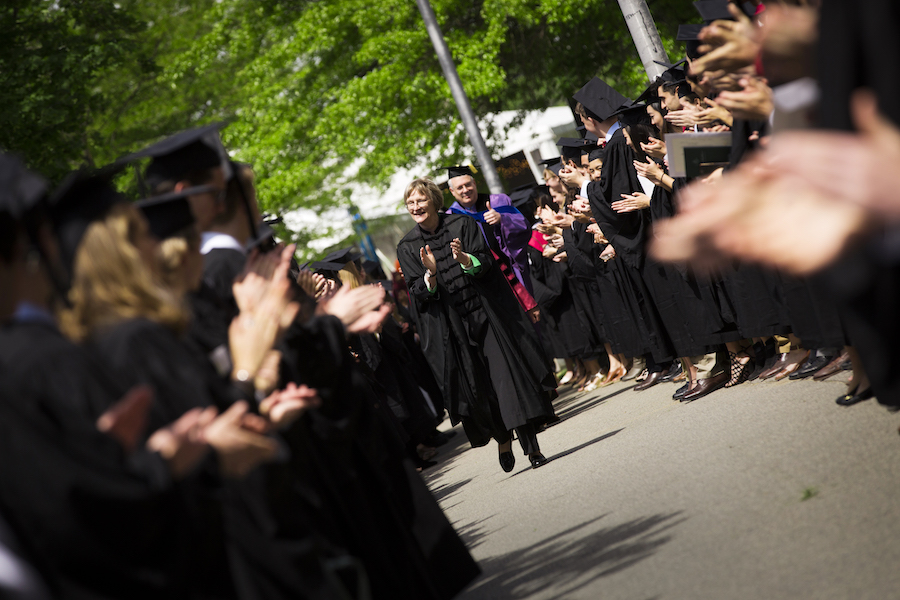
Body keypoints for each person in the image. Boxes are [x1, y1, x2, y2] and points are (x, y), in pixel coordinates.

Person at [397, 178, 557, 471]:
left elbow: (486, 263)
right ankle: (503, 439)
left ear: (434, 200)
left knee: (509, 379)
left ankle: (532, 447)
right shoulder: (407, 247)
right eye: (410, 203)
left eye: (420, 200)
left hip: (486, 317)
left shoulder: (462, 225)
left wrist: (465, 259)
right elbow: (416, 291)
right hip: (452, 329)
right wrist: (430, 275)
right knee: (479, 389)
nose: (415, 207)